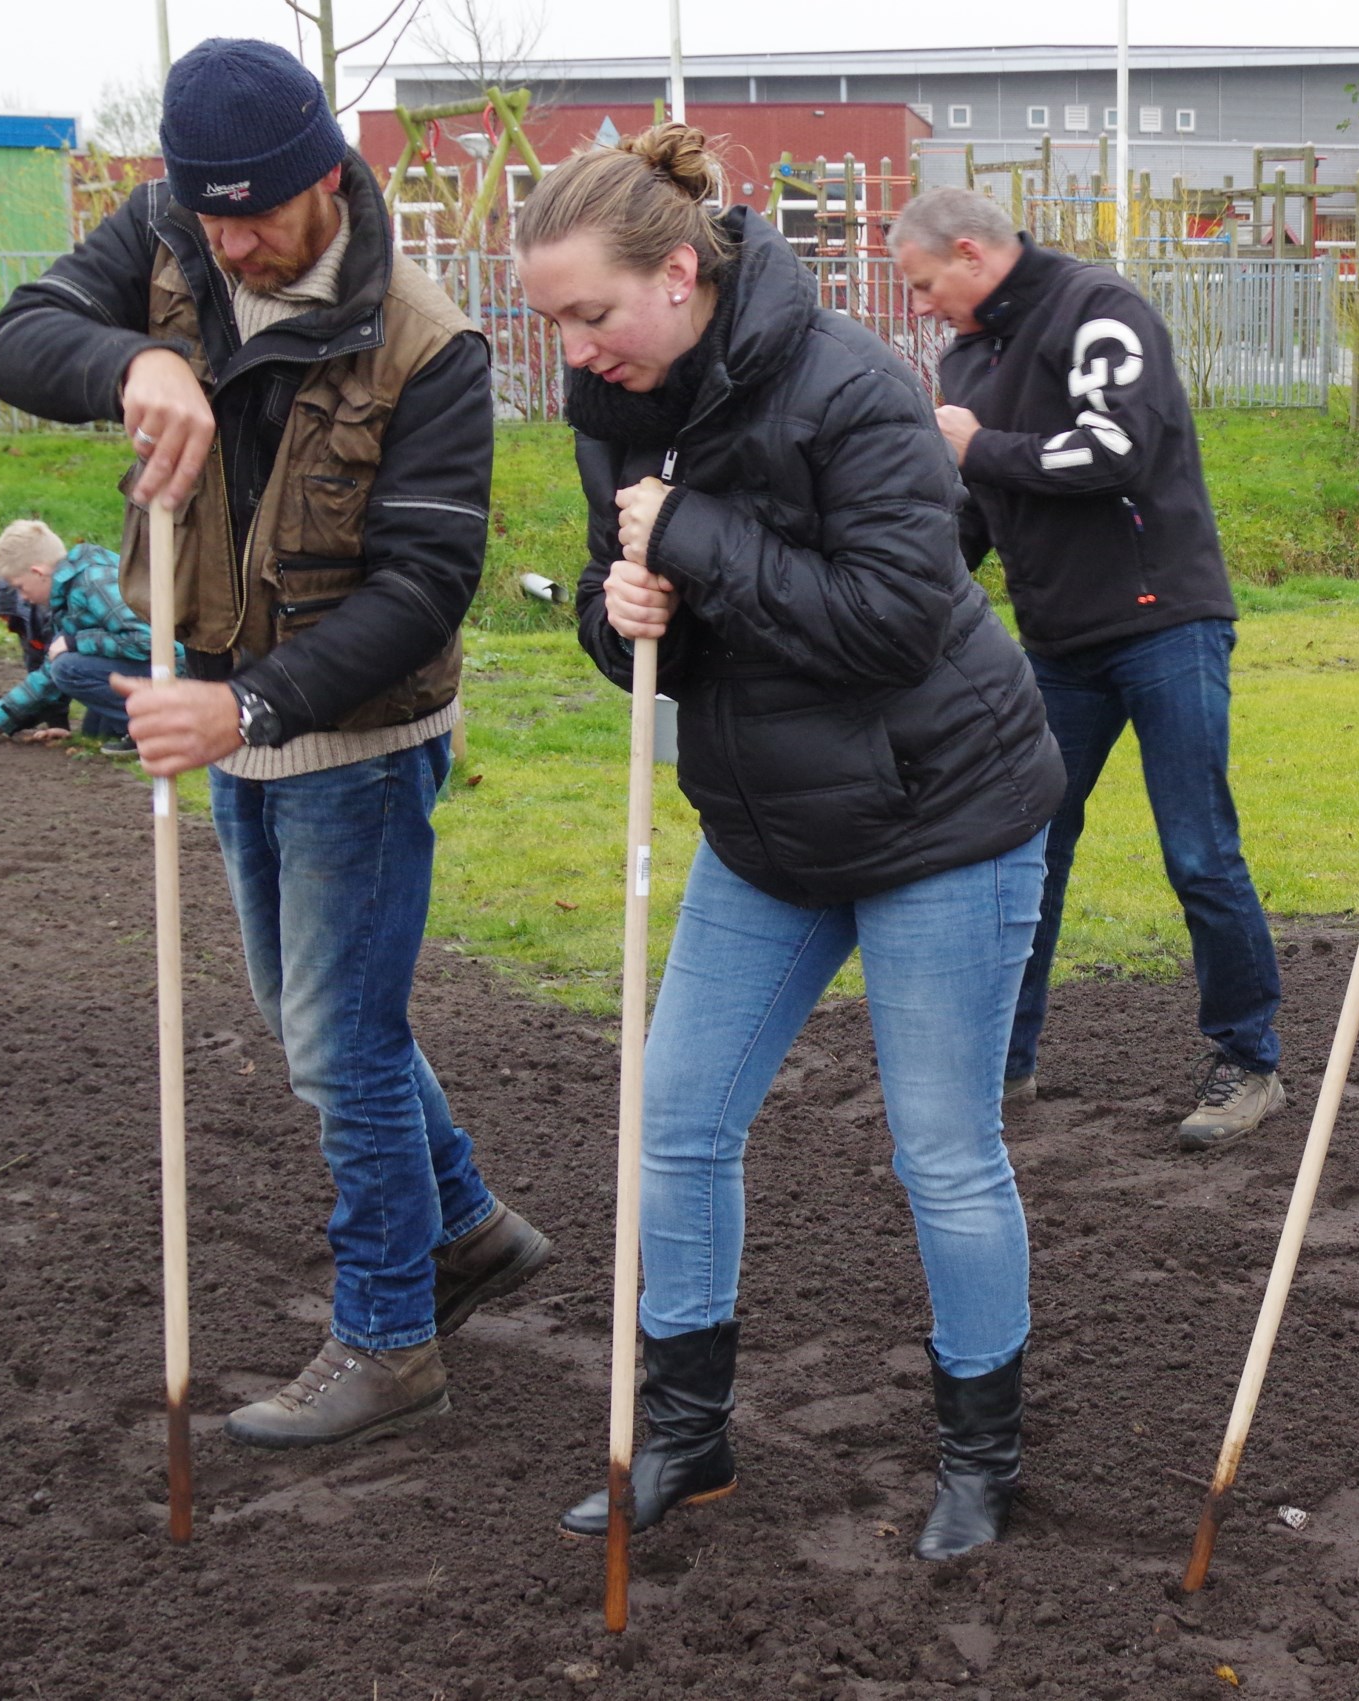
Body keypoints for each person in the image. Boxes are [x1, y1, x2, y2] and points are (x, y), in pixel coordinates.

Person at [0, 36, 549, 1448]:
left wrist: (251, 705)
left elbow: (426, 586)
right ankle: (468, 1225)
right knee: (319, 1028)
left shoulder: (425, 339)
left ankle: (389, 1337)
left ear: (322, 176)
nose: (232, 240)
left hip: (350, 731)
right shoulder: (171, 227)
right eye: (209, 213)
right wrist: (140, 357)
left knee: (339, 1045)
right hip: (220, 702)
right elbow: (17, 337)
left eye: (258, 213)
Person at [514, 125, 1065, 1561]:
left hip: (940, 809)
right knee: (676, 1121)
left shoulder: (853, 385)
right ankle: (685, 1441)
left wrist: (690, 540)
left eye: (591, 314)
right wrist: (616, 616)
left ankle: (980, 1453)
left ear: (679, 275)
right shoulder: (616, 409)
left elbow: (891, 619)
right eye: (552, 323)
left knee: (940, 1147)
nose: (574, 351)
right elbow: (628, 605)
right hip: (765, 823)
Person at [888, 186, 1286, 1151]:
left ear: (974, 254)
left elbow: (1116, 449)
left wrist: (980, 444)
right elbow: (975, 509)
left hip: (1166, 626)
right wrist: (907, 595)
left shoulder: (1101, 313)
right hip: (1058, 645)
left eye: (926, 284)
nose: (922, 306)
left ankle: (1249, 1061)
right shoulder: (967, 358)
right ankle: (1005, 1062)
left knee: (1199, 850)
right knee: (1027, 852)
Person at [0, 521, 157, 750]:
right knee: (94, 731)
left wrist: (76, 642)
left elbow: (153, 641)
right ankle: (145, 725)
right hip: (149, 672)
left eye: (19, 587)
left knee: (68, 668)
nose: (23, 597)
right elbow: (47, 676)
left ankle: (156, 728)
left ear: (37, 572)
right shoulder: (68, 593)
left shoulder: (94, 582)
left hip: (178, 673)